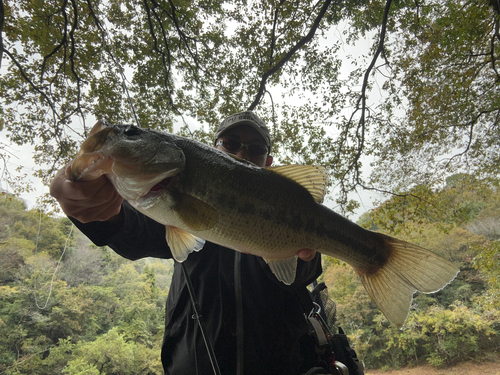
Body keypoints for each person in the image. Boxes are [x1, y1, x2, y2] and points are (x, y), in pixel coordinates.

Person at [50, 111, 323, 374]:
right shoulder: (170, 206)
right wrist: (96, 211)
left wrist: (300, 256)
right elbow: (130, 232)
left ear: (268, 161)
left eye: (255, 148)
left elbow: (302, 274)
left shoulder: (293, 214)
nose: (242, 153)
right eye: (231, 144)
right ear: (215, 149)